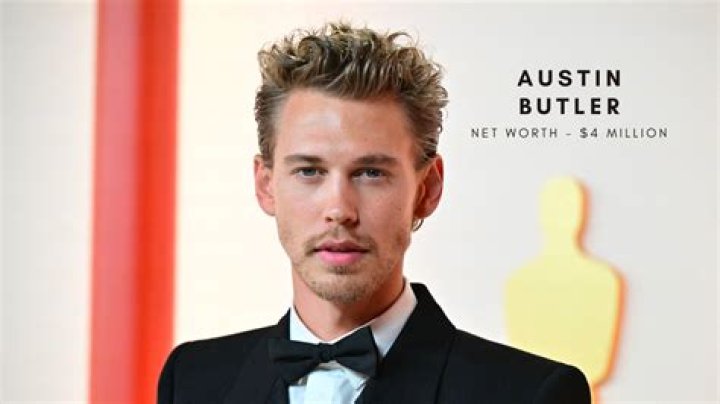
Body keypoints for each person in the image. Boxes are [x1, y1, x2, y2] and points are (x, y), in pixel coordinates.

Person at [158, 21, 591, 404]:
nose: (339, 210)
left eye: (370, 173)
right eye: (309, 171)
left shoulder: (530, 394)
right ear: (265, 185)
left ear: (427, 189)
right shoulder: (193, 379)